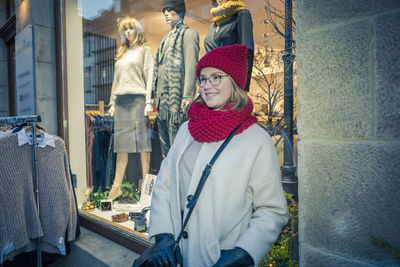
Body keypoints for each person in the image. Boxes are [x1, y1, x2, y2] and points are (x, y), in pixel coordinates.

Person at [148, 44, 289, 266]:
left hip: (218, 258)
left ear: (234, 82)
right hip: (175, 258)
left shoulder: (256, 140)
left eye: (216, 77)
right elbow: (165, 184)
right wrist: (163, 235)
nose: (207, 85)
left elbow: (272, 211)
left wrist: (244, 253)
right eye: (203, 79)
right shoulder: (187, 129)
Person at [107, 17, 154, 200]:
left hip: (138, 99)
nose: (128, 32)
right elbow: (115, 80)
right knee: (121, 145)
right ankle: (116, 186)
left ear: (137, 30)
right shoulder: (121, 53)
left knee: (142, 143)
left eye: (131, 28)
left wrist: (149, 100)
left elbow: (149, 75)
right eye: (125, 29)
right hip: (121, 101)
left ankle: (146, 186)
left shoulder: (145, 50)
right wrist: (112, 102)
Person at [146, 0, 199, 159]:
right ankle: (168, 180)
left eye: (170, 10)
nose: (166, 14)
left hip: (177, 102)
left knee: (179, 148)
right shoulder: (165, 39)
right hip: (163, 103)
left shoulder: (189, 34)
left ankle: (180, 182)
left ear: (180, 11)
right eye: (164, 12)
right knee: (166, 150)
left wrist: (187, 96)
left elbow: (191, 66)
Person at [204, 0, 254, 92]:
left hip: (231, 82)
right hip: (211, 83)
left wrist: (243, 88)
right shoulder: (213, 24)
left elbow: (247, 52)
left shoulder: (242, 15)